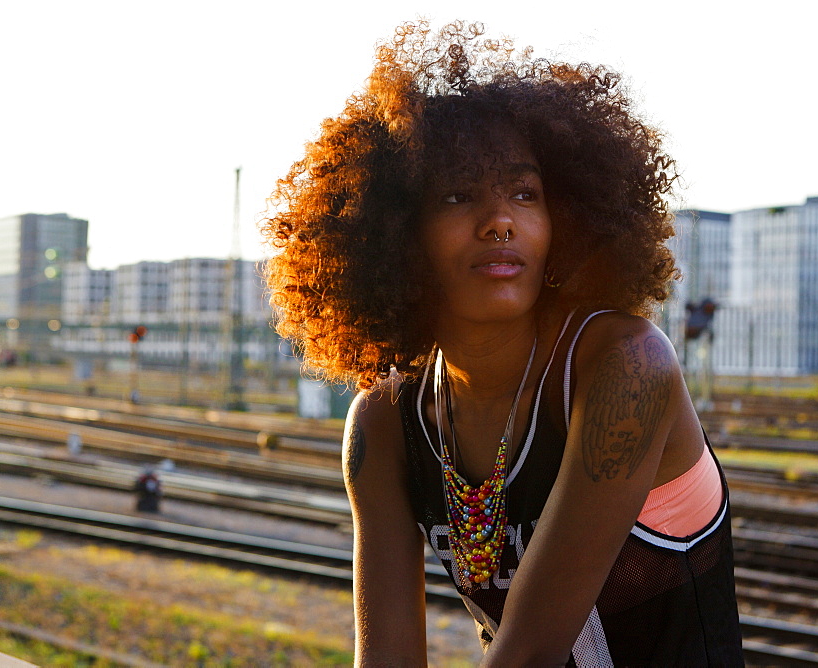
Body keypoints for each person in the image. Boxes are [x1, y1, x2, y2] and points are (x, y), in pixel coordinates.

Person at [261, 21, 743, 666]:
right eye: (458, 196)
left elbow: (526, 657)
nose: (499, 221)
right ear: (398, 234)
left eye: (525, 193)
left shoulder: (626, 366)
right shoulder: (385, 423)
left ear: (564, 219)